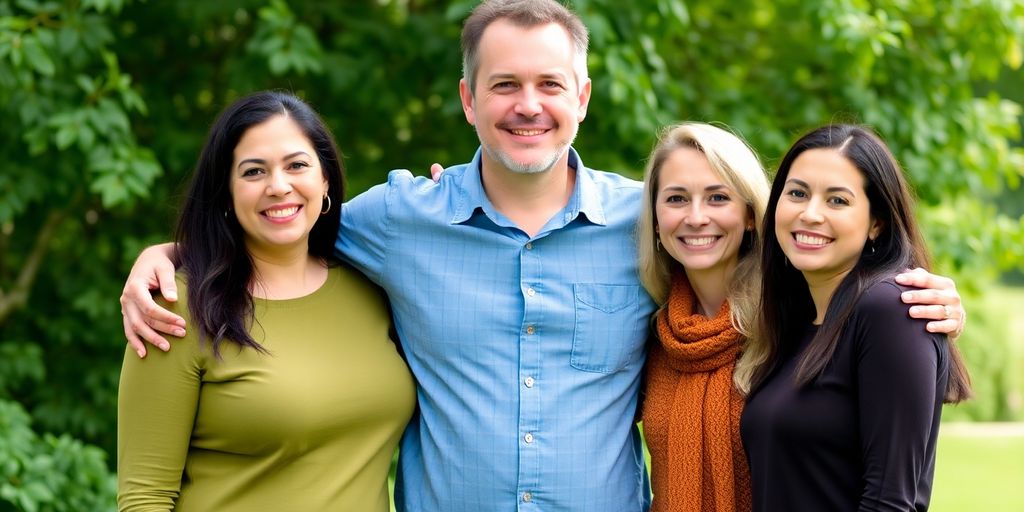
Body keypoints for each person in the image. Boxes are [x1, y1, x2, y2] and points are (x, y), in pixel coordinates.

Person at [119, 2, 967, 510]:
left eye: (550, 85)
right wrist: (170, 254)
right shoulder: (394, 220)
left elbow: (792, 266)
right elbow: (279, 216)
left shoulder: (660, 226)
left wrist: (916, 296)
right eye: (505, 85)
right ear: (468, 99)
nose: (529, 106)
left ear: (583, 97)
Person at [116, 91, 415, 511]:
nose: (278, 186)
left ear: (325, 179)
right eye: (254, 172)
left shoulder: (374, 288)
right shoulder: (175, 306)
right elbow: (145, 496)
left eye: (297, 165)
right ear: (226, 191)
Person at [740, 124, 973, 511]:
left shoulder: (890, 310)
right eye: (797, 193)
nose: (810, 214)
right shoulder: (797, 322)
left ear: (876, 222)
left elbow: (890, 501)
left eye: (837, 201)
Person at [637, 122, 768, 512]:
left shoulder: (792, 319)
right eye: (676, 199)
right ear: (656, 220)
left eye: (717, 198)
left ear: (749, 214)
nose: (695, 217)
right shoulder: (653, 333)